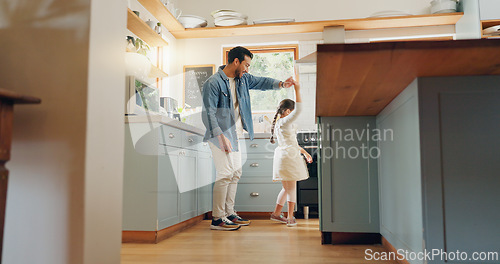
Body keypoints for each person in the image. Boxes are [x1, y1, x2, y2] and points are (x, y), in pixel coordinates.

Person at [202, 46, 293, 231]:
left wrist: (282, 84)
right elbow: (209, 113)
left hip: (236, 133)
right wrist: (220, 136)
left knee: (235, 174)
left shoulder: (243, 79)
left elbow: (262, 82)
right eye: (246, 65)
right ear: (236, 61)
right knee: (225, 174)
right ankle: (218, 218)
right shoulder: (213, 83)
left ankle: (229, 213)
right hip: (220, 134)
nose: (247, 69)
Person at [269, 80, 312, 227]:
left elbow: (292, 143)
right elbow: (299, 110)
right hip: (289, 157)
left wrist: (305, 152)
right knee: (292, 188)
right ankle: (290, 218)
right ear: (287, 112)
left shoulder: (279, 124)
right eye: (291, 112)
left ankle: (276, 214)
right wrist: (298, 89)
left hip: (283, 156)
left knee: (286, 188)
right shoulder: (286, 122)